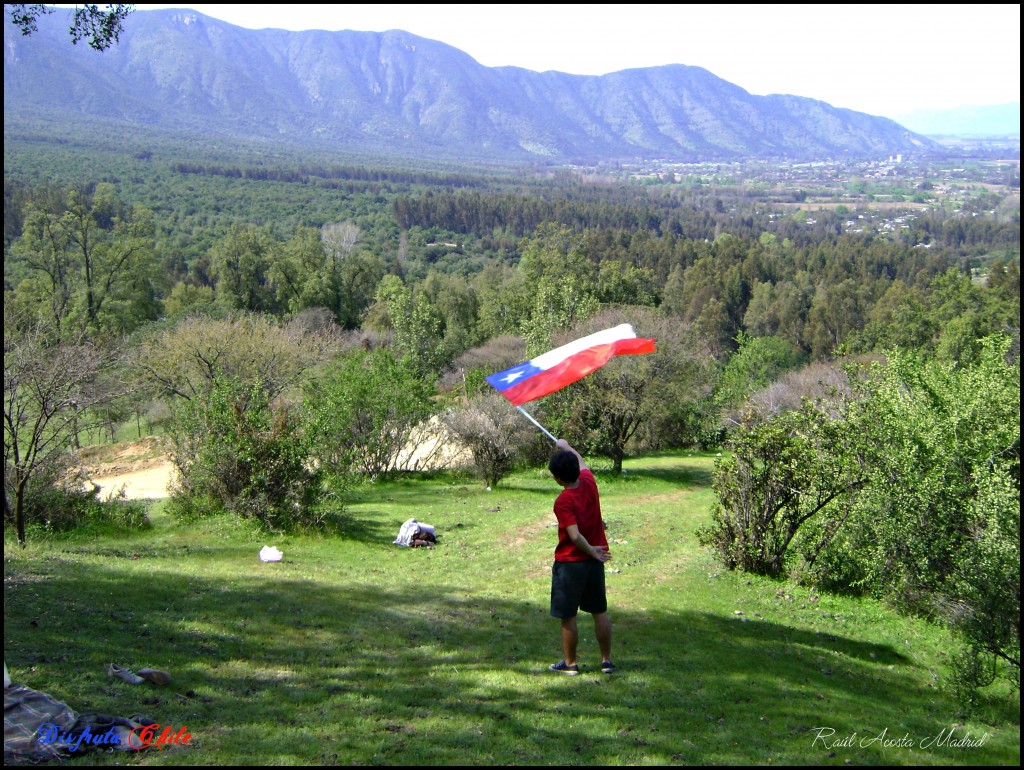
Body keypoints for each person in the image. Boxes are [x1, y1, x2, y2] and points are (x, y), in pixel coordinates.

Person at [546, 439, 617, 675]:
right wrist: (566, 446)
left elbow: (574, 536)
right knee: (599, 611)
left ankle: (570, 664)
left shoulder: (563, 500)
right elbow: (582, 461)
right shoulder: (589, 482)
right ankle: (606, 661)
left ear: (557, 478)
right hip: (594, 563)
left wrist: (591, 550)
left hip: (571, 563)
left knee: (568, 615)